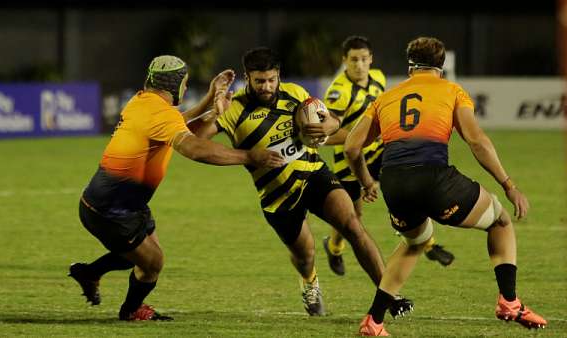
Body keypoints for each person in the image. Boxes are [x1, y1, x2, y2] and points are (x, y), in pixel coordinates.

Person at [344, 37, 547, 336]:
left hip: (394, 182)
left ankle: (374, 321)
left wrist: (366, 182)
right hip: (434, 180)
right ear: (441, 66)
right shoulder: (453, 91)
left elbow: (351, 147)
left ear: (410, 67)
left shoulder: (386, 97)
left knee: (414, 242)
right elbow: (476, 140)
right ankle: (510, 301)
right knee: (501, 222)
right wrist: (508, 184)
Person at [194, 47, 413, 317]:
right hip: (277, 196)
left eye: (271, 79)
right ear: (247, 77)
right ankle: (310, 282)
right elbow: (197, 144)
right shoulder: (233, 109)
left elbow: (331, 119)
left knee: (353, 225)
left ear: (278, 76)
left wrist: (326, 128)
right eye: (259, 81)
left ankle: (388, 295)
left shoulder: (295, 93)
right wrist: (240, 146)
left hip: (314, 174)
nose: (267, 86)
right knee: (305, 255)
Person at [68, 55, 285, 321]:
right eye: (185, 82)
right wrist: (249, 156)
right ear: (177, 83)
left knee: (136, 255)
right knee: (152, 263)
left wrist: (211, 102)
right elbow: (194, 148)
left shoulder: (142, 101)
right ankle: (131, 311)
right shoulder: (158, 113)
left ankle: (89, 273)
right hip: (111, 211)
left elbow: (175, 122)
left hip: (122, 204)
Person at [321, 36, 455, 276]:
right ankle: (334, 247)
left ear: (371, 59)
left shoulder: (379, 79)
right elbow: (326, 136)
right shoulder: (338, 93)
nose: (359, 65)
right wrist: (361, 135)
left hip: (380, 152)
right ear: (344, 61)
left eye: (363, 59)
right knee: (353, 214)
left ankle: (429, 244)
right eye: (353, 60)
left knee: (408, 185)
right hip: (349, 160)